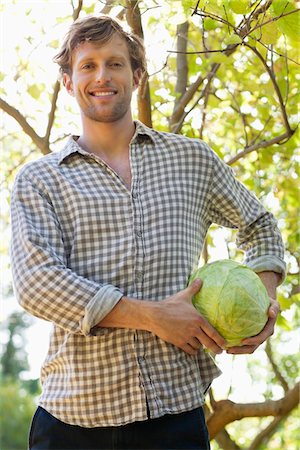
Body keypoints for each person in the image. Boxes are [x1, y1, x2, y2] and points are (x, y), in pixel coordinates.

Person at [10, 15, 285, 450]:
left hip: (176, 416)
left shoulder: (192, 160)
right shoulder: (40, 180)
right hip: (73, 422)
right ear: (68, 81)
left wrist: (262, 304)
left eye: (116, 64)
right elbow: (37, 284)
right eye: (88, 65)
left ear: (136, 75)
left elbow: (259, 224)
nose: (102, 76)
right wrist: (152, 316)